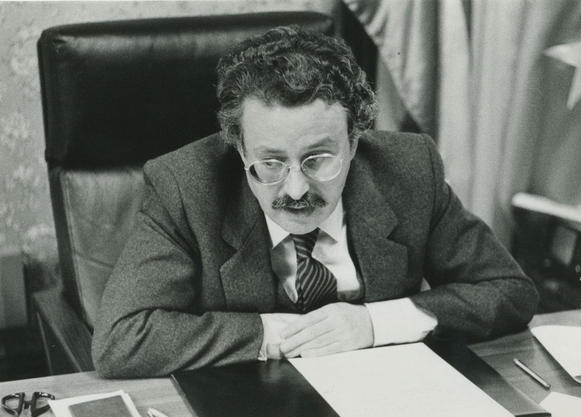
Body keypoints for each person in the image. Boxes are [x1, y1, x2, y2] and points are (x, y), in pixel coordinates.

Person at [91, 26, 538, 378]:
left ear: (354, 142)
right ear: (240, 149)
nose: (295, 190)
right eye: (270, 163)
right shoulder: (185, 187)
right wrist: (283, 334)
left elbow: (509, 290)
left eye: (318, 159)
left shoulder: (409, 169)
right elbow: (122, 340)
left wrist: (373, 324)